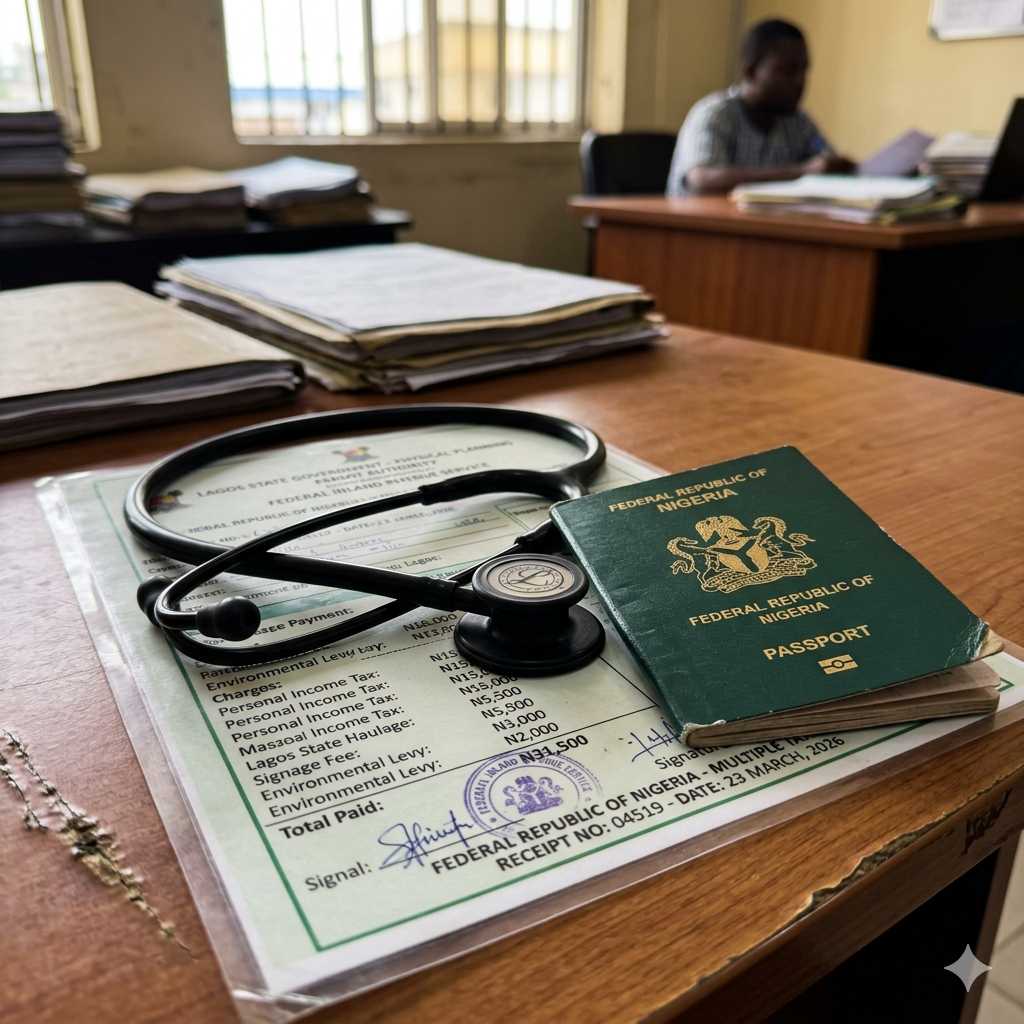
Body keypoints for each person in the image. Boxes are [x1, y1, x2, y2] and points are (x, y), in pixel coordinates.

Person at [666, 19, 856, 196]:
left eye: (804, 70)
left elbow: (827, 163)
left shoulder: (799, 123)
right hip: (697, 229)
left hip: (760, 228)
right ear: (750, 71)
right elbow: (702, 181)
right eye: (788, 71)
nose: (800, 81)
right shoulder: (715, 114)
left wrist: (839, 167)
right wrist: (801, 172)